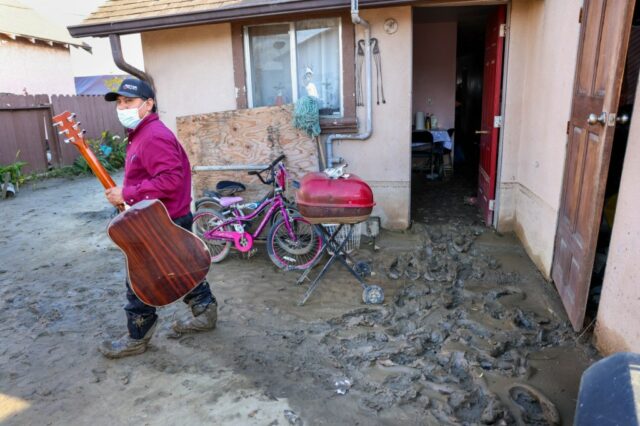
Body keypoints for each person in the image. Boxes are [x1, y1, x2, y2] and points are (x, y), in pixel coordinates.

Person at [99, 78, 217, 359]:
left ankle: (137, 336)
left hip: (163, 220)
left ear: (149, 104)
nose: (122, 107)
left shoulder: (153, 136)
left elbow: (171, 179)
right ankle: (206, 312)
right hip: (160, 217)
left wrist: (127, 193)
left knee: (141, 278)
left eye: (129, 101)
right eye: (120, 103)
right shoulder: (140, 134)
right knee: (182, 266)